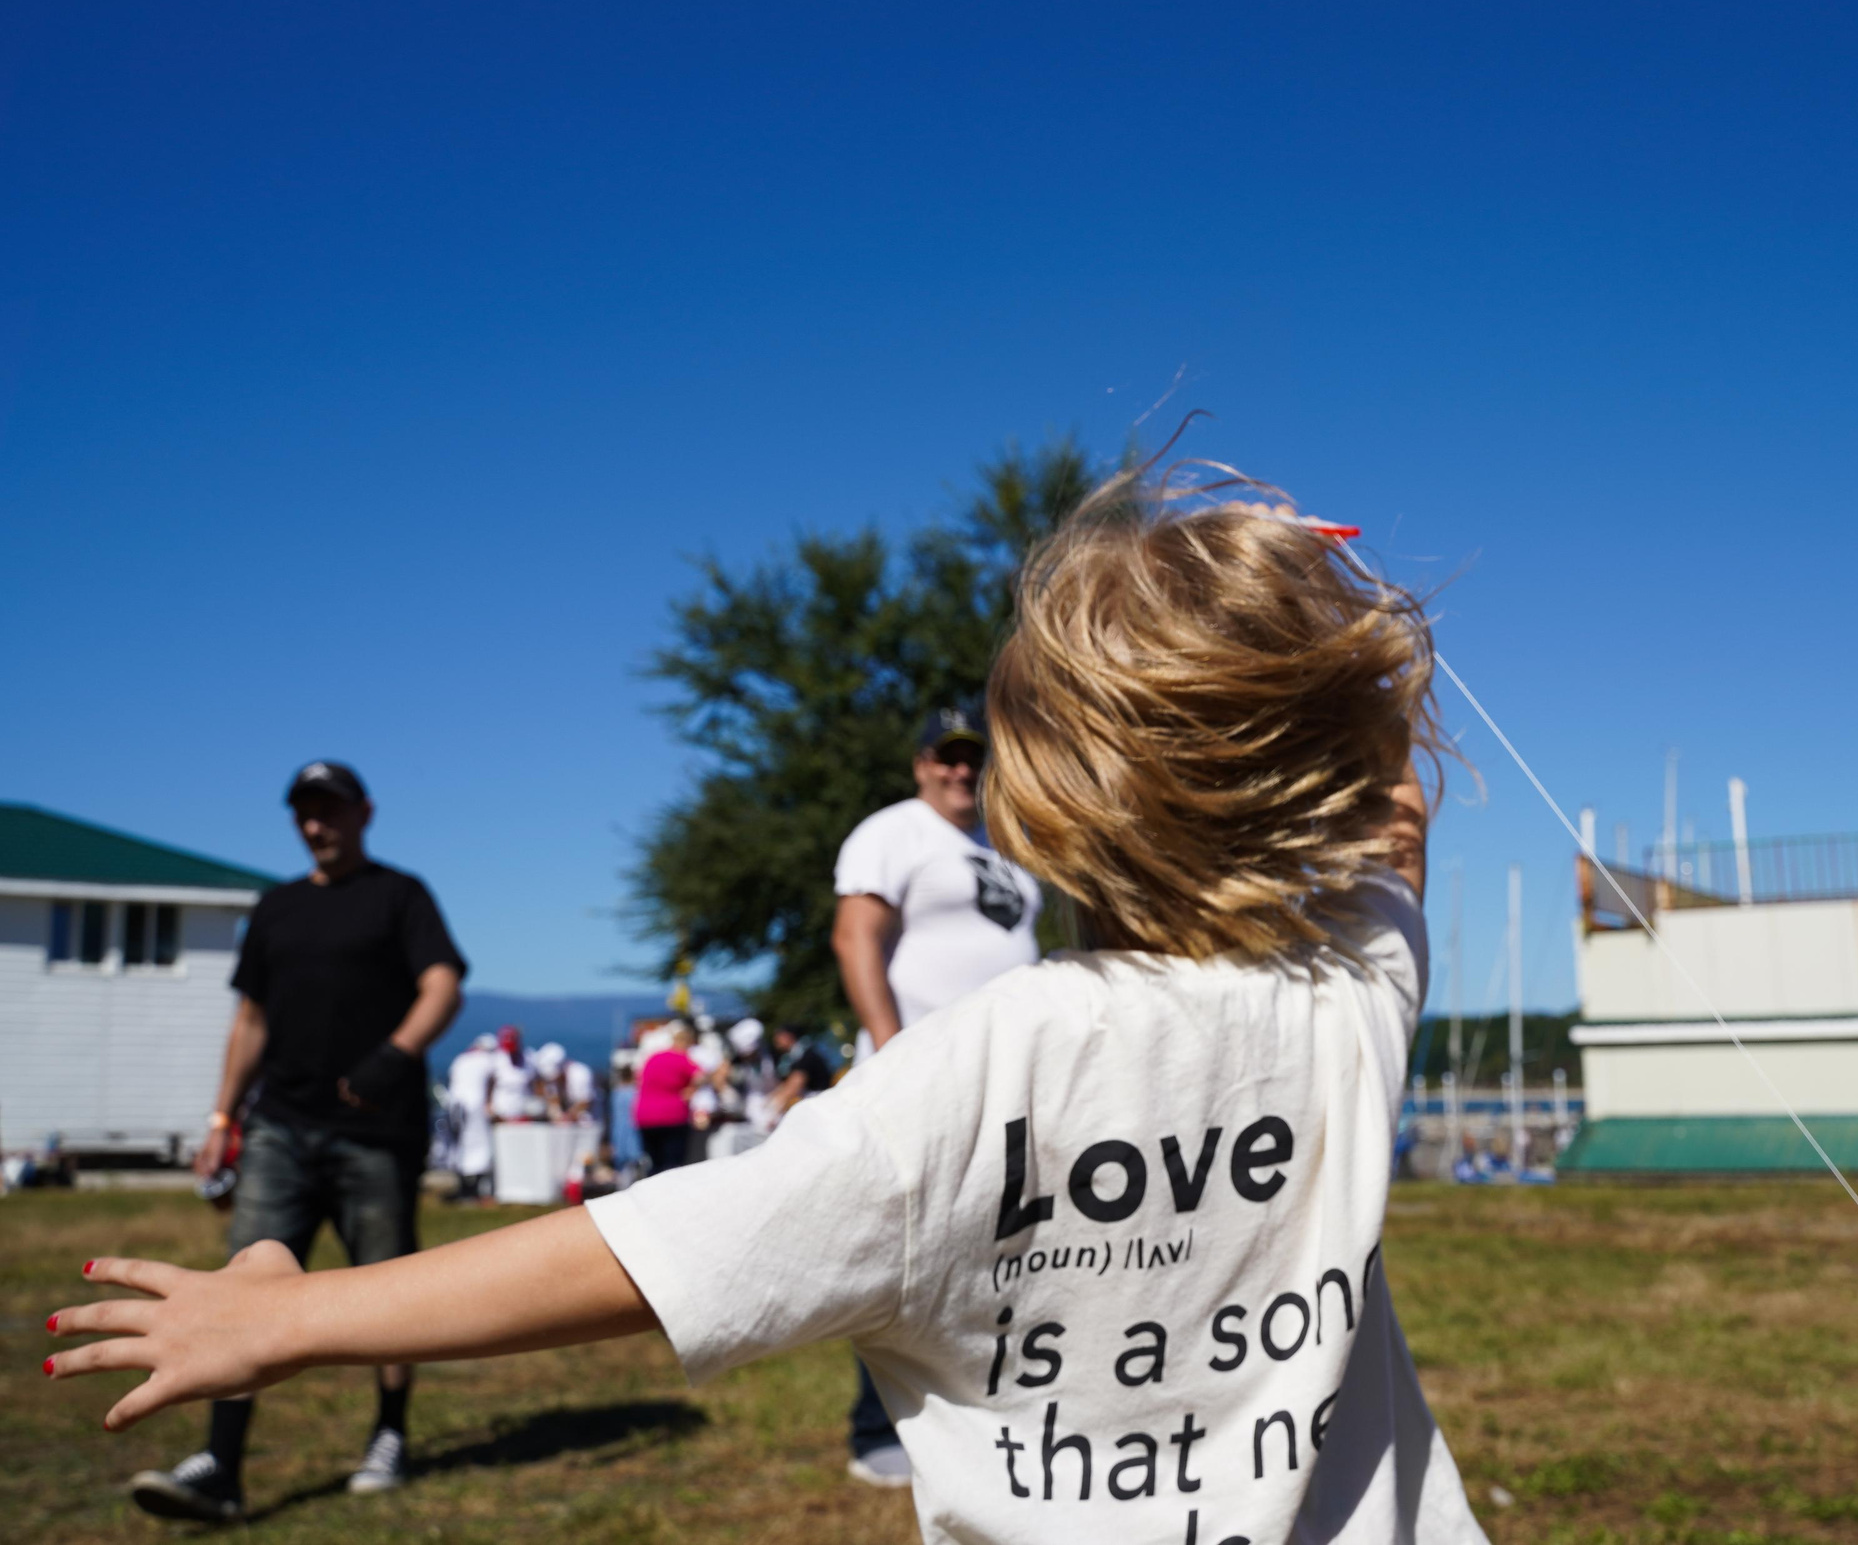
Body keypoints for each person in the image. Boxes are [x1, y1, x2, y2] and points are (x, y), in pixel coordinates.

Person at [50, 475, 1485, 1545]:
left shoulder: (949, 1085)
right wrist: (1315, 627)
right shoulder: (1350, 997)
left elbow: (643, 1253)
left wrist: (299, 1311)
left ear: (1036, 814)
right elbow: (1396, 824)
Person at [124, 760, 465, 1523]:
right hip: (281, 1124)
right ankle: (221, 1465)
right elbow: (250, 1020)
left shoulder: (400, 897)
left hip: (374, 1132)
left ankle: (389, 1436)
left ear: (364, 812)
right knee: (243, 1284)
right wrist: (222, 1118)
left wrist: (394, 1054)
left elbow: (443, 984)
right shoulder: (276, 908)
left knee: (389, 1292)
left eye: (331, 810)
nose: (318, 824)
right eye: (305, 812)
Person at [828, 699, 1045, 1485]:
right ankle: (875, 1425)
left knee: (1002, 1255)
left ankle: (982, 1418)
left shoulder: (1007, 844)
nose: (962, 769)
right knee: (905, 1256)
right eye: (946, 756)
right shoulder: (892, 833)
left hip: (1008, 1083)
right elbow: (856, 936)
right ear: (921, 762)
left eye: (972, 756)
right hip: (919, 1075)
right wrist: (890, 1050)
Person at [633, 1021, 701, 1177]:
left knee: (653, 1164)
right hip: (672, 1116)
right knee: (672, 1166)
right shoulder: (682, 1058)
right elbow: (701, 1077)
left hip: (645, 1116)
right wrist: (692, 1089)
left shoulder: (653, 1057)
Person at [443, 1033, 499, 1204]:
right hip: (476, 1108)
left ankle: (463, 1187)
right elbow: (494, 1081)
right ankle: (474, 1189)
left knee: (458, 1146)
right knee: (480, 1147)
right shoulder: (490, 1061)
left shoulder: (462, 1059)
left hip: (455, 1106)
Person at [766, 1022, 834, 1124]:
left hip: (821, 1105)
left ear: (789, 1036)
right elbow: (785, 1086)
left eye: (778, 1035)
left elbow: (794, 1086)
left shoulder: (805, 1055)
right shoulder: (791, 1057)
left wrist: (773, 1112)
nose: (775, 1039)